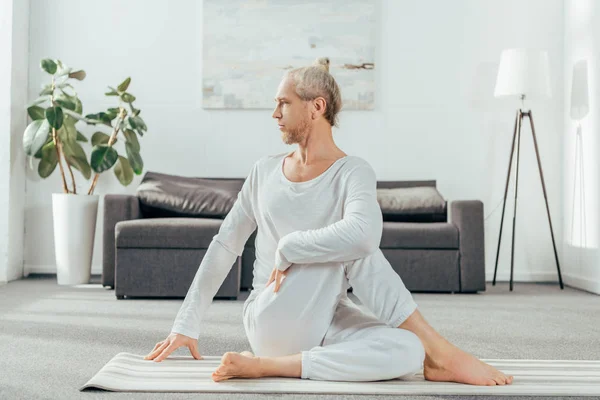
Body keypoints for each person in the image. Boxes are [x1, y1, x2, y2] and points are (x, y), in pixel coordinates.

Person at [144, 57, 514, 386]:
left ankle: (275, 367)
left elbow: (364, 236)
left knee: (407, 350)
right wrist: (186, 324)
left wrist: (292, 247)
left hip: (324, 317)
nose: (275, 114)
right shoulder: (265, 171)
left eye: (283, 103)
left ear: (316, 107)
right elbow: (225, 245)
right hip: (272, 315)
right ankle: (443, 351)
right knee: (356, 248)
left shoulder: (352, 171)